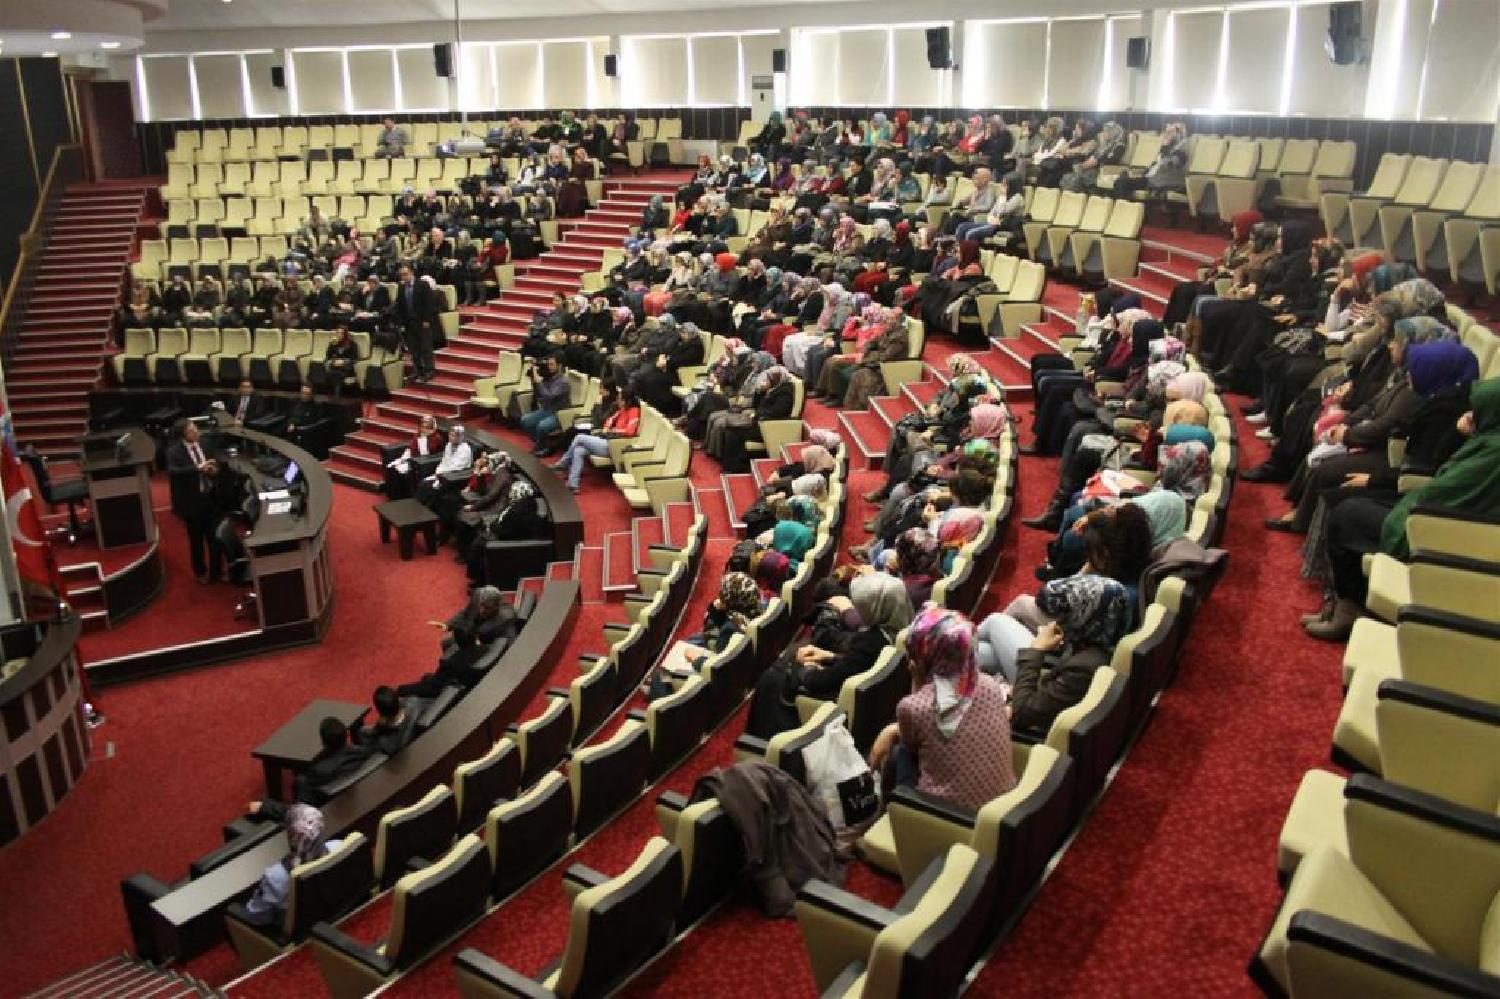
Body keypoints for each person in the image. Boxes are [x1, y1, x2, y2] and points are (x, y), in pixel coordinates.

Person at [868, 606, 1017, 812]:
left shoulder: (913, 708)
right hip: (1001, 809)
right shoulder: (990, 684)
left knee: (899, 754)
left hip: (948, 817)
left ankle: (894, 814)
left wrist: (917, 680)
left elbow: (912, 740)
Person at [745, 571, 913, 738]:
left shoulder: (868, 641)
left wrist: (807, 669)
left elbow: (826, 681)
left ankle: (760, 740)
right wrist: (828, 656)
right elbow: (857, 664)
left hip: (838, 703)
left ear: (874, 608)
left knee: (773, 678)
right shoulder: (903, 628)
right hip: (871, 700)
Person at [1010, 575, 1131, 734]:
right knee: (987, 650)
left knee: (994, 621)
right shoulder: (1099, 639)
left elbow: (1021, 713)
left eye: (1067, 613)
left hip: (1035, 727)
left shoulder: (1083, 668)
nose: (1057, 621)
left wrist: (1037, 649)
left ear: (1083, 616)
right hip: (1044, 693)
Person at [247, 718, 374, 820]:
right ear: (346, 735)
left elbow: (300, 814)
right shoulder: (363, 752)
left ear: (324, 743)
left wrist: (265, 807)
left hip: (329, 816)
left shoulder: (316, 774)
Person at [240, 804, 344, 926]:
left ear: (289, 835)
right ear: (321, 826)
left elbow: (257, 917)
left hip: (299, 930)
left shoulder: (275, 877)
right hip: (333, 912)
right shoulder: (339, 846)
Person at [166, 420, 226, 584]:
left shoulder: (205, 443)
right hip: (192, 502)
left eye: (196, 429)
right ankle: (200, 572)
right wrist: (198, 468)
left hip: (210, 497)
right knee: (196, 540)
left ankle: (216, 572)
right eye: (192, 431)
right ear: (183, 434)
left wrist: (214, 470)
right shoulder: (174, 451)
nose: (196, 432)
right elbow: (174, 471)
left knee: (215, 537)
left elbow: (215, 462)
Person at [552, 387, 641, 492]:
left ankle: (563, 463)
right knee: (579, 450)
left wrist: (613, 430)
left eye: (620, 399)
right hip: (607, 440)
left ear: (628, 401)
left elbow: (630, 431)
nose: (618, 401)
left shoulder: (634, 411)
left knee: (580, 437)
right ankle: (573, 484)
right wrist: (608, 428)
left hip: (615, 446)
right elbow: (609, 421)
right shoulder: (622, 409)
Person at [392, 264, 438, 383]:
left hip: (422, 321)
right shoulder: (401, 287)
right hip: (408, 322)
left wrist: (427, 320)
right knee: (414, 349)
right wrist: (400, 322)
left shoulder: (422, 284)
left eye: (405, 274)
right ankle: (418, 370)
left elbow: (429, 304)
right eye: (401, 275)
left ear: (412, 273)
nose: (403, 277)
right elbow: (399, 305)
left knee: (425, 347)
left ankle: (429, 370)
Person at [520, 353, 570, 455]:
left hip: (559, 414)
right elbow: (540, 395)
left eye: (552, 364)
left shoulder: (563, 381)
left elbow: (549, 396)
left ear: (559, 366)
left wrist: (539, 382)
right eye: (548, 364)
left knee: (542, 426)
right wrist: (536, 380)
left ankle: (541, 446)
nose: (549, 367)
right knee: (525, 420)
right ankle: (542, 444)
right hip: (547, 410)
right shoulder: (549, 377)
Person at [351, 686, 418, 756]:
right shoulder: (413, 704)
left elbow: (369, 741)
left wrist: (378, 726)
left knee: (357, 729)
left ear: (380, 712)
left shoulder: (385, 742)